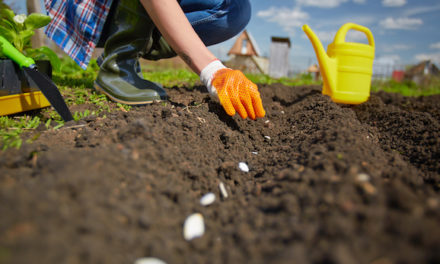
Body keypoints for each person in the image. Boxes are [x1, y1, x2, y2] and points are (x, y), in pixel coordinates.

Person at [44, 0, 265, 120]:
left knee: (234, 8)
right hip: (89, 9)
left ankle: (131, 47)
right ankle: (118, 64)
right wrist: (213, 70)